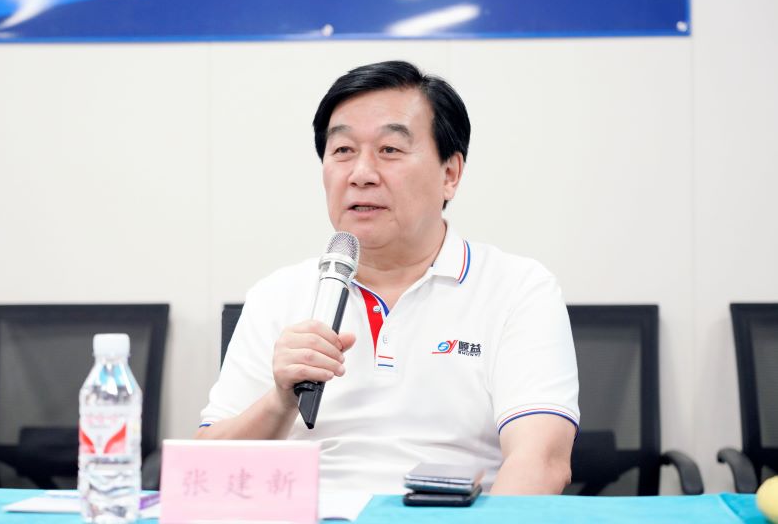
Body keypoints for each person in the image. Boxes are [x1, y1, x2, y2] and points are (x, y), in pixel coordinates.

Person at [196, 60, 579, 495]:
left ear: (450, 174)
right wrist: (280, 401)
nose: (361, 174)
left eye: (390, 150)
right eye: (343, 151)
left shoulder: (517, 289)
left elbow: (540, 463)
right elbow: (205, 473)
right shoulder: (277, 295)